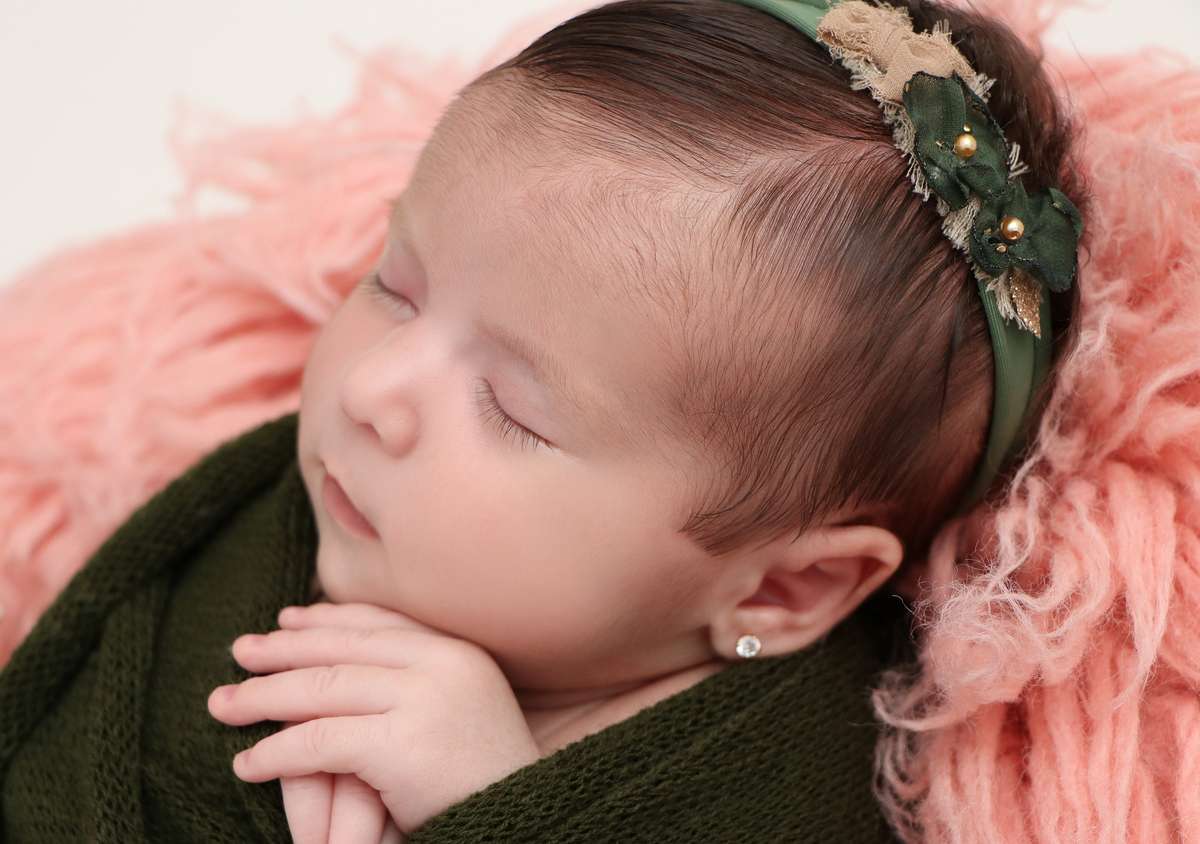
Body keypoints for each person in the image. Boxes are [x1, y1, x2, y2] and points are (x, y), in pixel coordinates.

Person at [0, 0, 1084, 842]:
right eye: (396, 287)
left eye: (512, 409)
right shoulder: (257, 534)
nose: (372, 389)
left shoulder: (785, 785)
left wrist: (500, 804)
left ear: (779, 591)